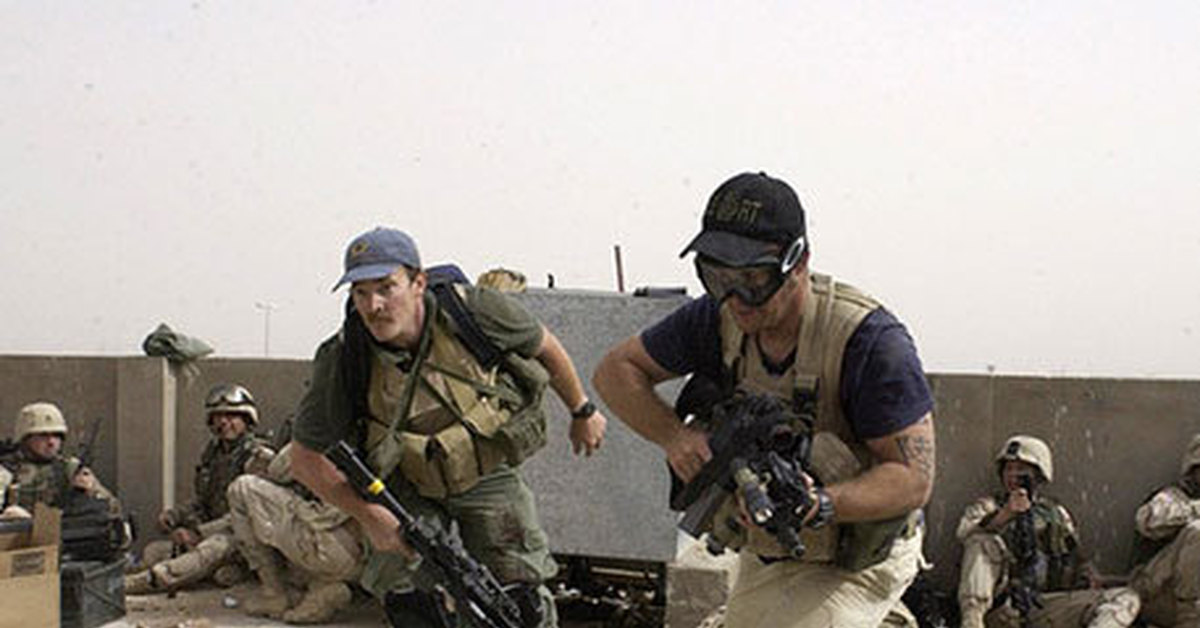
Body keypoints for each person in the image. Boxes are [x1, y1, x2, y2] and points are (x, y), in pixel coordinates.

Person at [593, 171, 935, 628]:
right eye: (717, 277)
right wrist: (675, 437)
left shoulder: (869, 342)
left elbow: (913, 480)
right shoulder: (716, 318)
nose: (736, 298)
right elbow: (615, 371)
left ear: (798, 262)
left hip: (862, 555)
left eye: (753, 278)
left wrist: (821, 503)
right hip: (774, 547)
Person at [288, 227, 607, 628]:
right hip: (402, 486)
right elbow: (304, 460)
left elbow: (544, 346)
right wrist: (368, 515)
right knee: (414, 606)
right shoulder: (344, 354)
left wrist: (582, 410)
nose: (374, 305)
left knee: (519, 602)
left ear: (418, 283)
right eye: (360, 293)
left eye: (386, 288)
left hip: (483, 470)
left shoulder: (474, 311)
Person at [956, 435, 1140, 628]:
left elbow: (1077, 558)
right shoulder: (989, 507)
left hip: (1043, 606)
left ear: (1038, 474)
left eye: (1021, 469)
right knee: (982, 542)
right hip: (1001, 608)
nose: (1012, 475)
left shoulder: (1056, 513)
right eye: (1008, 468)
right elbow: (965, 533)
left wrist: (1090, 576)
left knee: (1125, 598)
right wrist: (1006, 514)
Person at [126, 383, 275, 594]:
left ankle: (147, 582)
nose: (223, 422)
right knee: (153, 552)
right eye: (218, 416)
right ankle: (223, 572)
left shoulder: (259, 457)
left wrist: (199, 533)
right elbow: (203, 499)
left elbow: (252, 513)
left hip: (243, 537)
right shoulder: (213, 454)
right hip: (209, 533)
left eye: (232, 416)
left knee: (212, 548)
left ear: (246, 419)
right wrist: (175, 515)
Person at [0, 401, 119, 518]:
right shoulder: (7, 469)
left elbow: (114, 510)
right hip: (20, 530)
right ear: (25, 439)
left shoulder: (70, 468)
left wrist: (92, 491)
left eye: (56, 435)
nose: (51, 442)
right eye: (43, 435)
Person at [1129, 433, 1200, 626]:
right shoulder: (1172, 496)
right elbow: (1150, 522)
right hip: (1157, 593)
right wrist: (1195, 509)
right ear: (1194, 470)